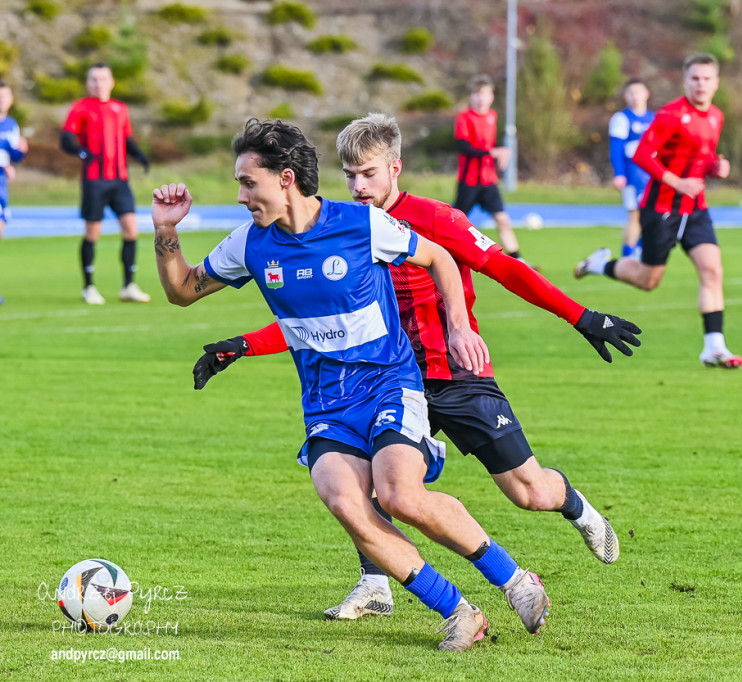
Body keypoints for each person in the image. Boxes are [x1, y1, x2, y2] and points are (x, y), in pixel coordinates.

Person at [192, 113, 641, 621]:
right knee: (368, 484)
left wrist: (579, 316)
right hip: (386, 379)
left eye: (369, 174)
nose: (359, 187)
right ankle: (375, 583)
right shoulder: (340, 227)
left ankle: (573, 505)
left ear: (395, 169)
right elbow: (321, 325)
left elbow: (508, 270)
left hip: (455, 374)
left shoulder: (435, 221)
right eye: (350, 175)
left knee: (528, 491)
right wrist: (246, 344)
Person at [151, 118, 551, 651]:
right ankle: (459, 611)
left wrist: (457, 327)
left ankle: (516, 581)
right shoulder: (249, 244)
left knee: (400, 494)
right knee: (344, 500)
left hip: (390, 385)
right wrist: (166, 230)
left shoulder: (360, 225)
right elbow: (181, 290)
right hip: (325, 406)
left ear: (286, 178)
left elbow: (440, 258)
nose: (243, 196)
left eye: (249, 183)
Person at [574, 53, 742, 369]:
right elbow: (641, 154)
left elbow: (700, 159)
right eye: (695, 78)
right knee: (648, 280)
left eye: (707, 79)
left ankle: (714, 347)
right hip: (661, 207)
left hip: (695, 209)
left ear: (716, 83)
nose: (701, 84)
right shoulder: (670, 115)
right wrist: (678, 183)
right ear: (685, 81)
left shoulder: (716, 117)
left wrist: (716, 168)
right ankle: (599, 264)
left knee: (712, 271)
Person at [61, 62, 151, 305]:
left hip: (120, 180)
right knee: (93, 232)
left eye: (103, 79)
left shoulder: (120, 109)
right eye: (93, 79)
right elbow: (66, 139)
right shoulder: (80, 107)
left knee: (131, 229)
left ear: (111, 82)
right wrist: (82, 152)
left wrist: (140, 155)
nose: (98, 83)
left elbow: (126, 139)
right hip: (94, 180)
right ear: (88, 83)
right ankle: (88, 287)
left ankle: (128, 285)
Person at [453, 75, 532, 266]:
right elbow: (464, 147)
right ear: (471, 97)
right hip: (469, 181)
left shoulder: (492, 116)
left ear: (491, 97)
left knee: (503, 219)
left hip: (488, 181)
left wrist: (500, 153)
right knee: (455, 223)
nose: (480, 98)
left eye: (485, 94)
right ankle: (440, 257)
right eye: (477, 94)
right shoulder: (464, 117)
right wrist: (494, 152)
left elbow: (490, 145)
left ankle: (518, 261)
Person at [609, 78, 654, 259]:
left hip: (651, 175)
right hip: (632, 174)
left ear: (646, 94)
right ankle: (627, 256)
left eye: (638, 92)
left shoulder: (653, 118)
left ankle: (640, 251)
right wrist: (619, 173)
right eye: (631, 93)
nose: (635, 96)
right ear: (626, 96)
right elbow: (616, 148)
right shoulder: (621, 118)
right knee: (634, 216)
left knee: (650, 216)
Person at [0, 80, 28, 306]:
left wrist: (20, 153)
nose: (2, 100)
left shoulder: (11, 124)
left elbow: (12, 155)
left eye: (5, 96)